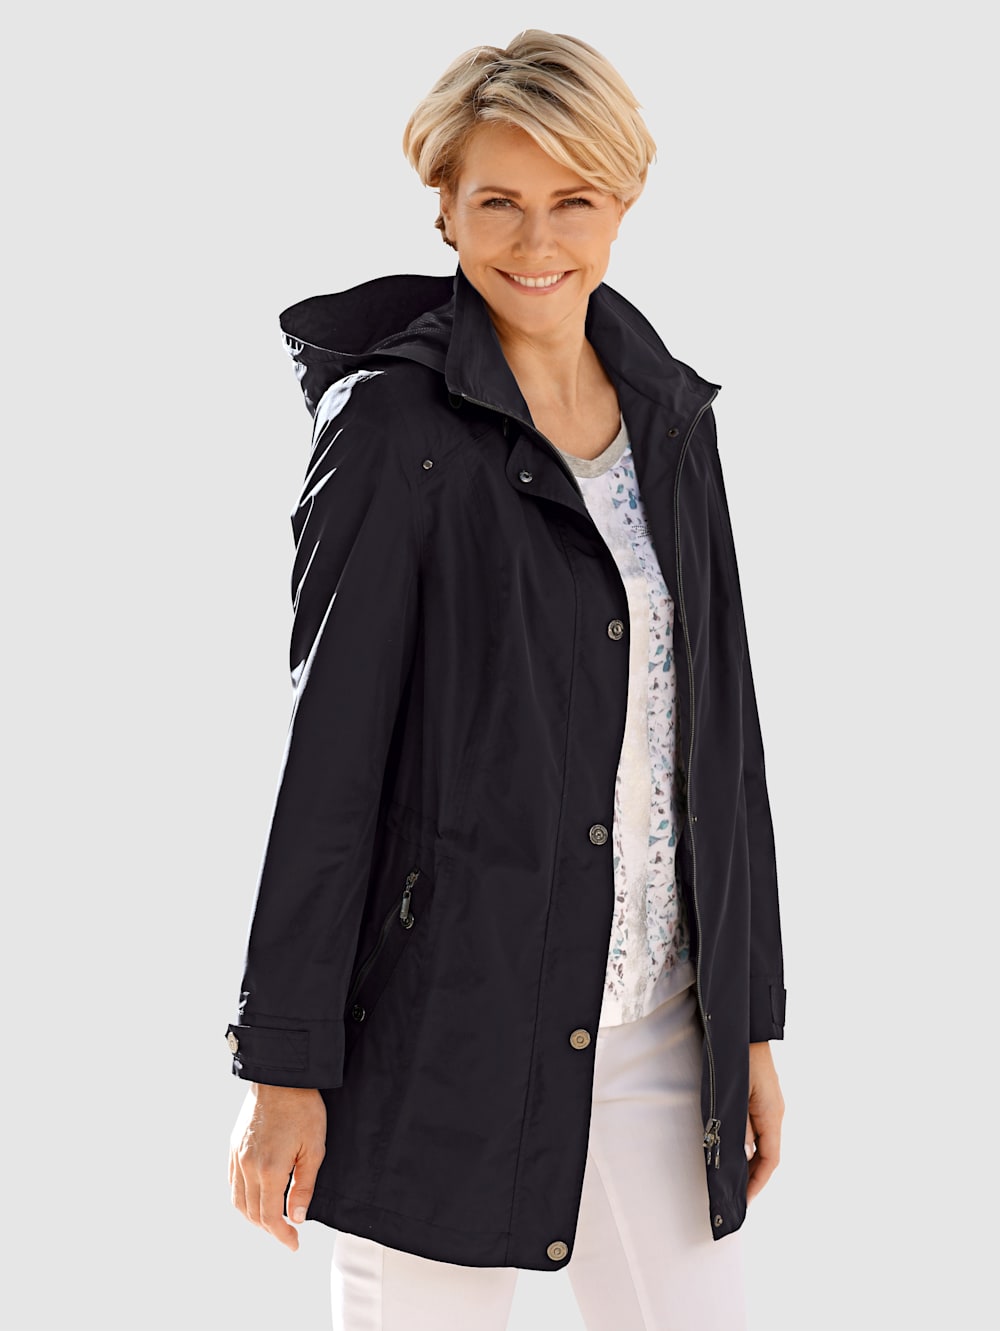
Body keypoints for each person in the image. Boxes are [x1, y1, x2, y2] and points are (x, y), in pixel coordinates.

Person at [226, 29, 786, 1331]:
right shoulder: (392, 430)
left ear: (624, 201)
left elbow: (723, 739)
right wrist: (283, 1067)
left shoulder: (672, 424)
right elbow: (330, 763)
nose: (537, 242)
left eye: (573, 201)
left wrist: (749, 1018)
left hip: (659, 1028)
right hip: (445, 1033)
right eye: (498, 203)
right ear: (445, 208)